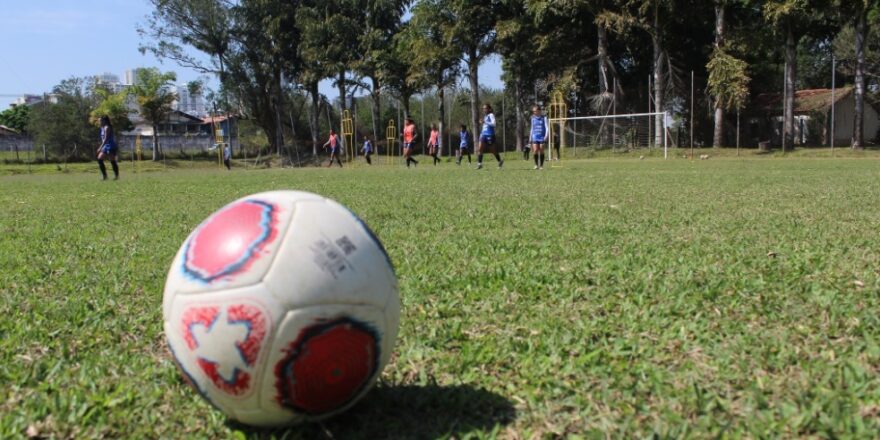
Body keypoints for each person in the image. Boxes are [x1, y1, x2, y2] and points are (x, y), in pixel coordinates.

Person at [476, 103, 503, 169]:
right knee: (480, 148)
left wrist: (485, 122)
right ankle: (479, 164)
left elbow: (494, 124)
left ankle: (500, 161)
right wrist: (481, 133)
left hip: (490, 135)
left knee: (493, 150)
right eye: (483, 108)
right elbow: (485, 126)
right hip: (483, 134)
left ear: (489, 109)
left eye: (485, 108)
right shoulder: (485, 116)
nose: (484, 110)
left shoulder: (491, 115)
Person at [96, 116, 119, 180]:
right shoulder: (102, 128)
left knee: (112, 161)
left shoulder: (107, 127)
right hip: (105, 146)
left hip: (110, 146)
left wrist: (100, 147)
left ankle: (116, 176)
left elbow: (106, 139)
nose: (99, 122)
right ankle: (105, 176)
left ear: (104, 121)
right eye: (99, 121)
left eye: (100, 121)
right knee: (99, 159)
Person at [529, 105, 549, 170]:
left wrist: (546, 136)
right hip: (535, 136)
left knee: (541, 150)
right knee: (535, 150)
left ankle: (541, 165)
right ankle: (536, 165)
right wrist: (530, 137)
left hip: (542, 136)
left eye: (535, 111)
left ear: (539, 111)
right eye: (533, 111)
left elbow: (546, 127)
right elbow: (532, 128)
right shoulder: (532, 118)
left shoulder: (544, 117)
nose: (534, 112)